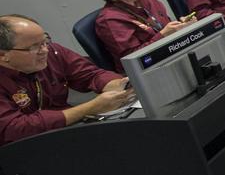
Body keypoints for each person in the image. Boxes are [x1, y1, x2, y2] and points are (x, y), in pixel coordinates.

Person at [0, 14, 132, 146]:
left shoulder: (53, 52)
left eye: (45, 41)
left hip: (65, 128)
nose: (45, 50)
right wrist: (89, 108)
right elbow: (13, 129)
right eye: (34, 47)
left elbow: (91, 74)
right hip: (23, 145)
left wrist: (117, 84)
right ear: (3, 55)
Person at [93, 0, 191, 72]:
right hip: (147, 70)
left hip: (172, 55)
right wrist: (163, 35)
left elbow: (165, 27)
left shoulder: (148, 1)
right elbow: (133, 59)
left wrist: (182, 26)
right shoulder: (110, 20)